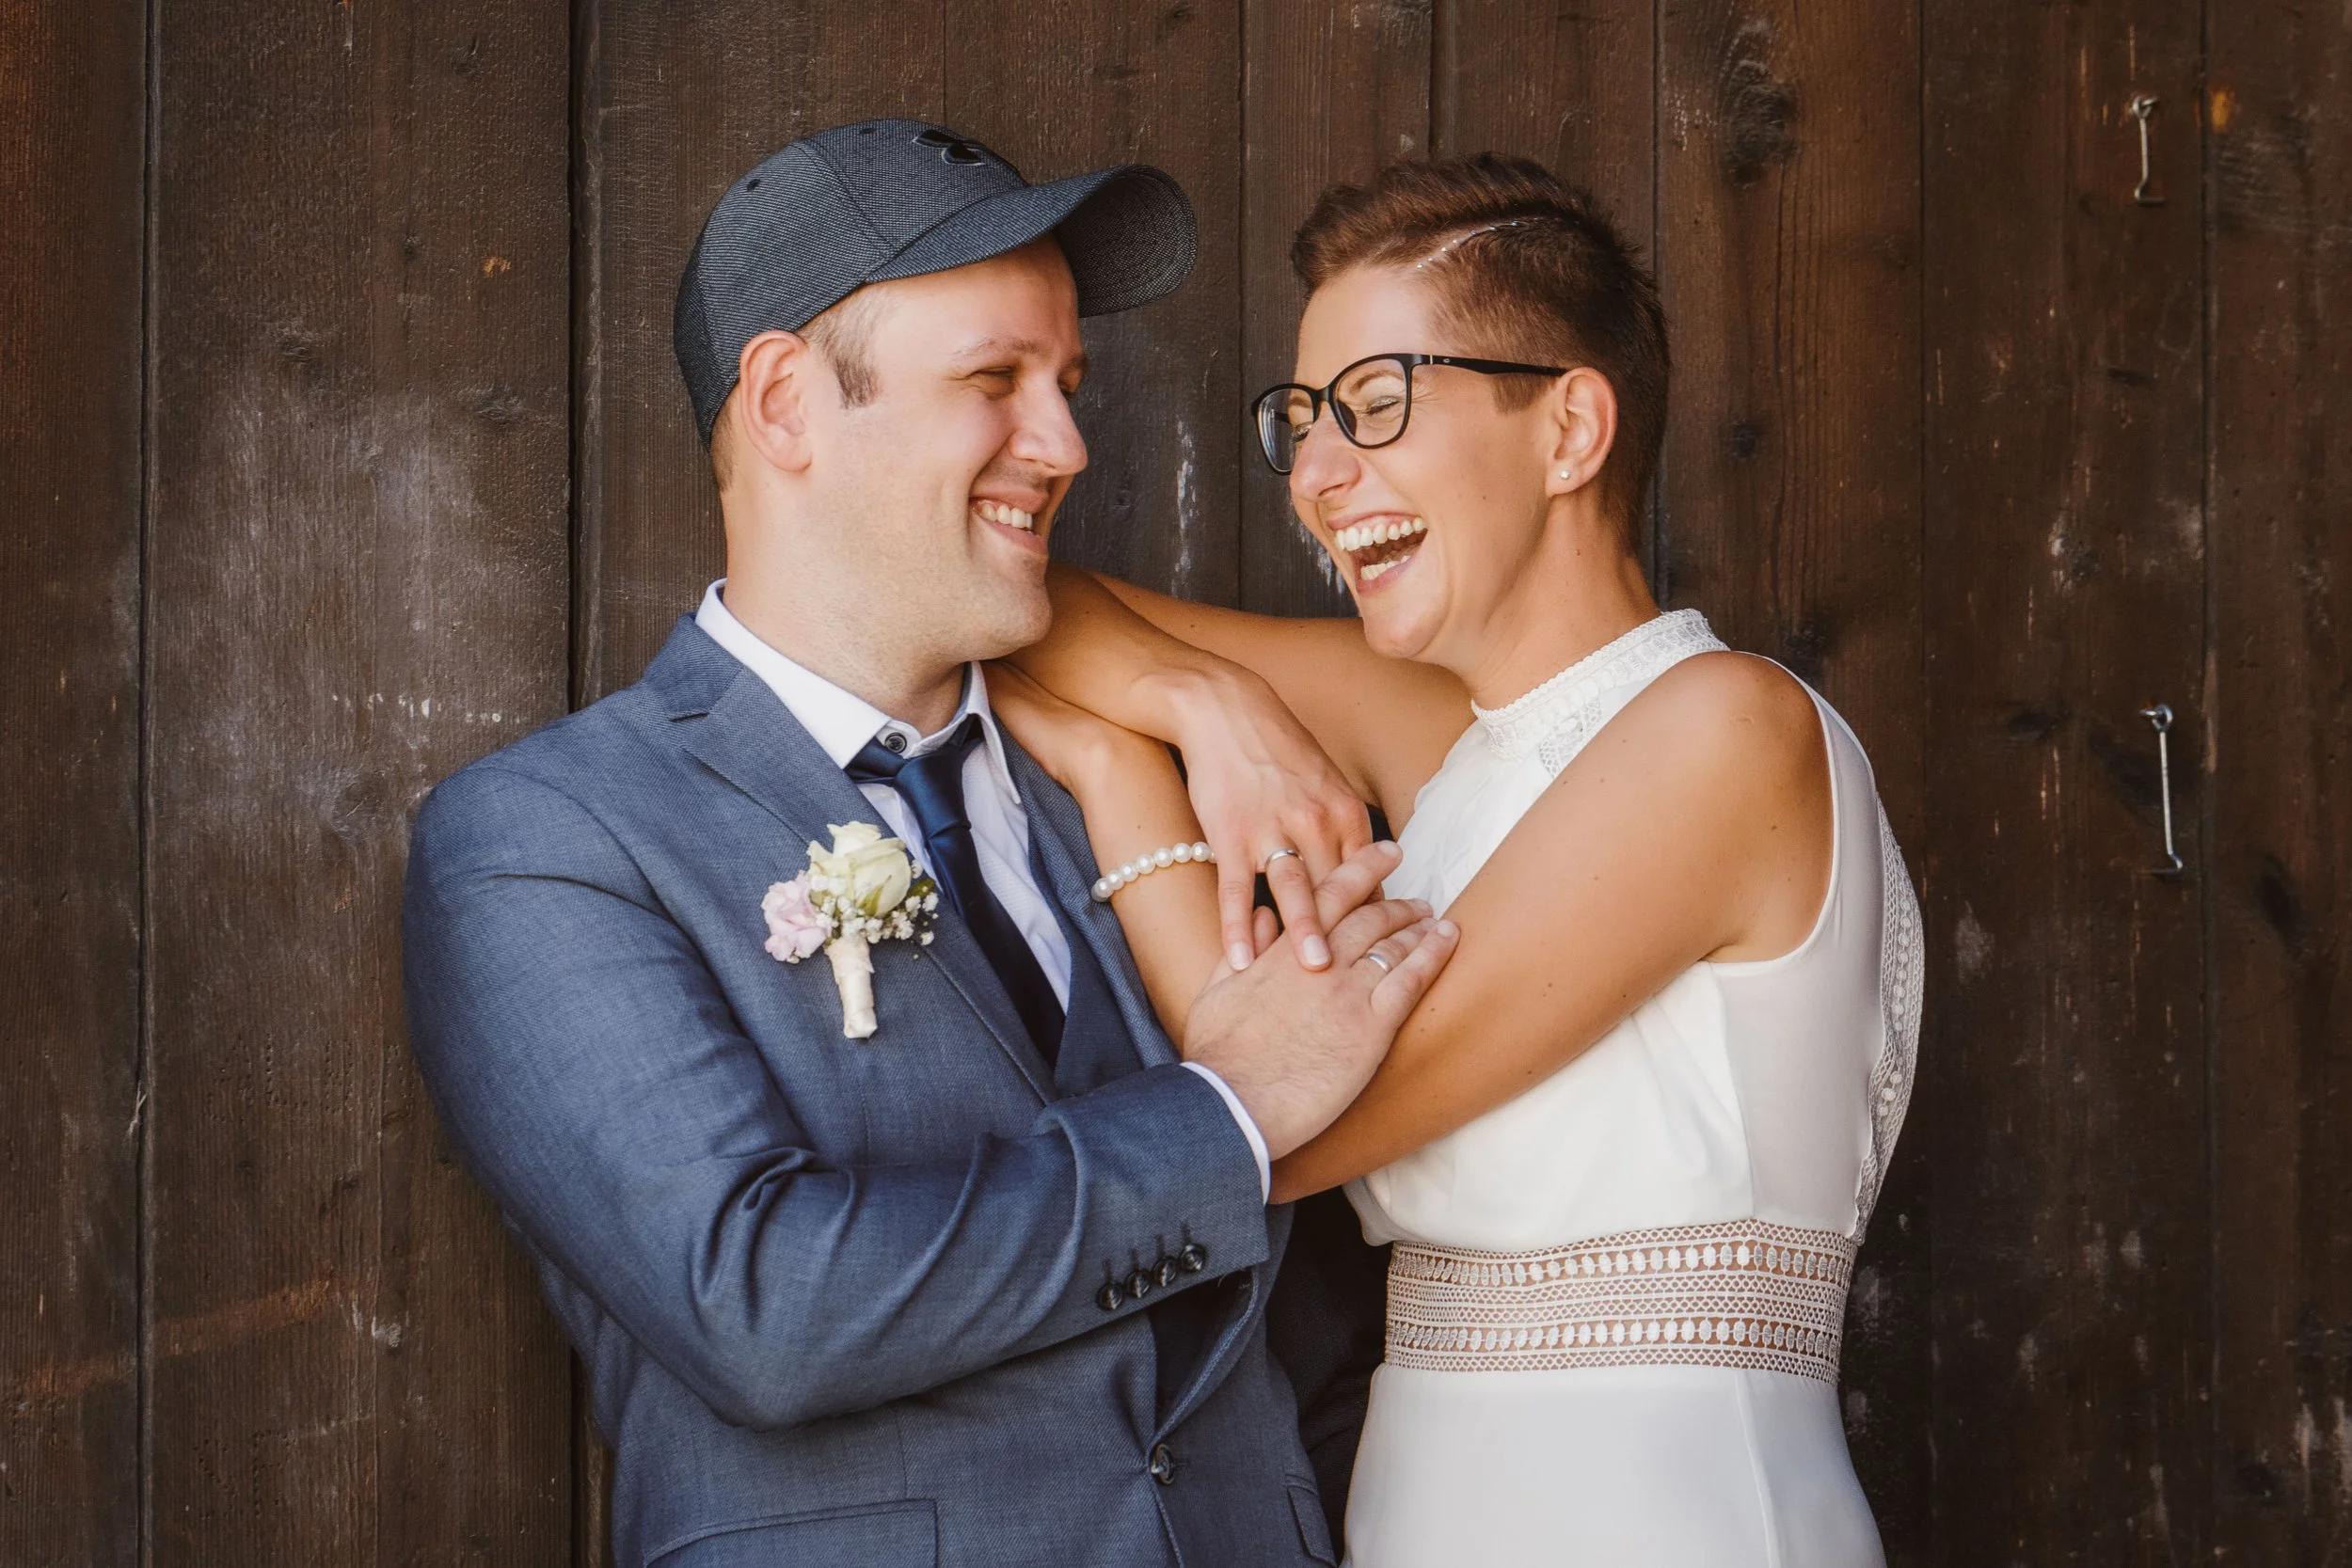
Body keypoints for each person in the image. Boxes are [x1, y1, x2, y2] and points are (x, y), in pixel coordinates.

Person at [401, 120, 1458, 1568]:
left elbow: (1319, 1327)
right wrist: (1225, 1112)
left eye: (1067, 385)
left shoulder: (1163, 787)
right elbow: (761, 1303)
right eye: (994, 380)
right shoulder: (551, 838)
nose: (1070, 443)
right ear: (785, 404)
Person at [1001, 153, 1923, 1565]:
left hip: (1676, 1515)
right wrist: (1208, 706)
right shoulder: (1448, 729)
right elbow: (1013, 602)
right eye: (1303, 421)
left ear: (1570, 431)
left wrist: (1128, 773)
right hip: (1427, 1497)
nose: (1315, 475)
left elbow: (1283, 1123)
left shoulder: (1732, 733)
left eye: (1374, 406)